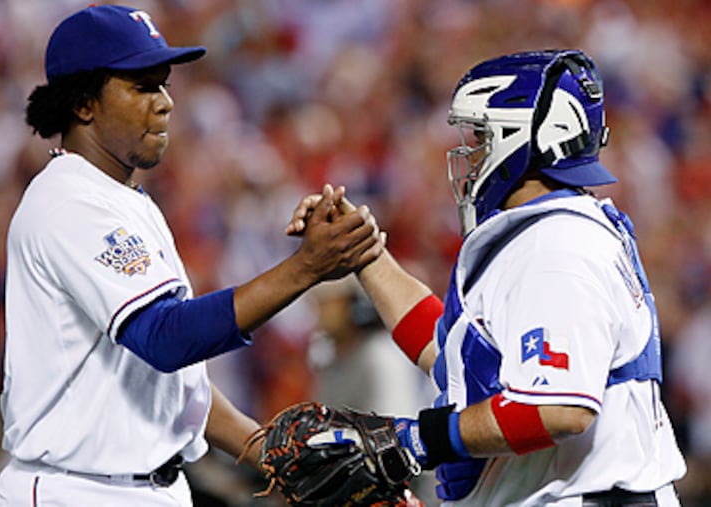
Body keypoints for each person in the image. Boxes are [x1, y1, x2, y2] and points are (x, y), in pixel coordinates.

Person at [0, 5, 384, 507]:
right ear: (84, 105)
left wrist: (266, 452)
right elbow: (166, 338)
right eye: (143, 86)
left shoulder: (125, 200)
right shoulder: (68, 201)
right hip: (77, 489)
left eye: (164, 84)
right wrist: (306, 268)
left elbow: (167, 377)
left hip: (149, 487)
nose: (166, 102)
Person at [289, 49, 686, 506]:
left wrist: (416, 442)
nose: (469, 153)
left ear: (520, 138)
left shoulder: (557, 247)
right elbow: (451, 352)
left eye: (480, 135)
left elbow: (559, 408)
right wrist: (363, 254)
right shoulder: (546, 233)